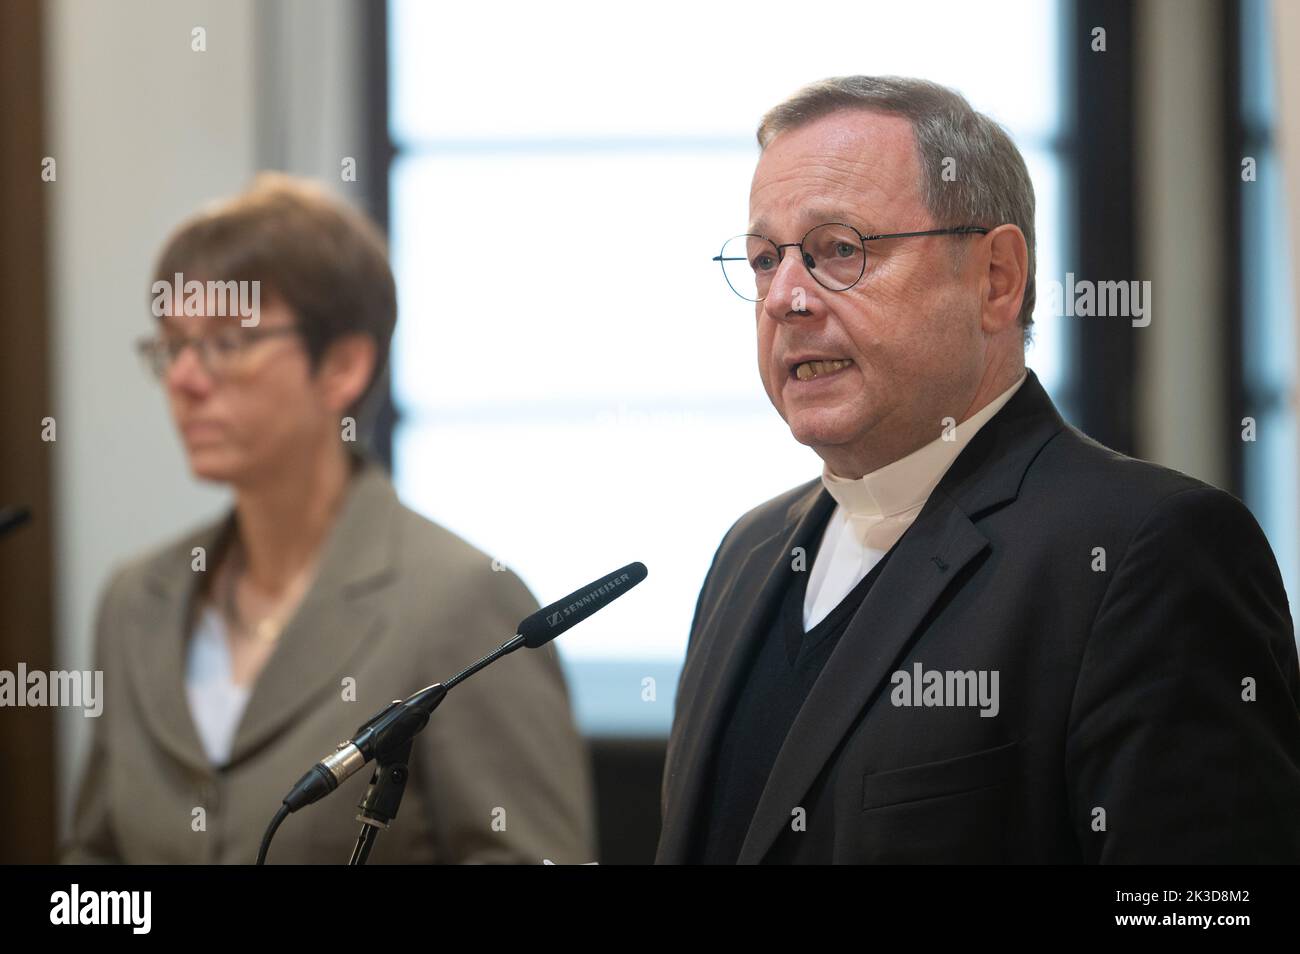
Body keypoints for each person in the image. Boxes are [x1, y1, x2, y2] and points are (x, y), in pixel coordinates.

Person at [657, 76, 1300, 864]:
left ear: (996, 279)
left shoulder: (1146, 554)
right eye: (764, 261)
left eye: (839, 250)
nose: (786, 298)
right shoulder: (747, 554)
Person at [62, 173, 595, 864]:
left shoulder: (462, 600)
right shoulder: (137, 600)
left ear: (342, 365)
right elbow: (91, 864)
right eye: (170, 346)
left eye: (226, 342)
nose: (184, 380)